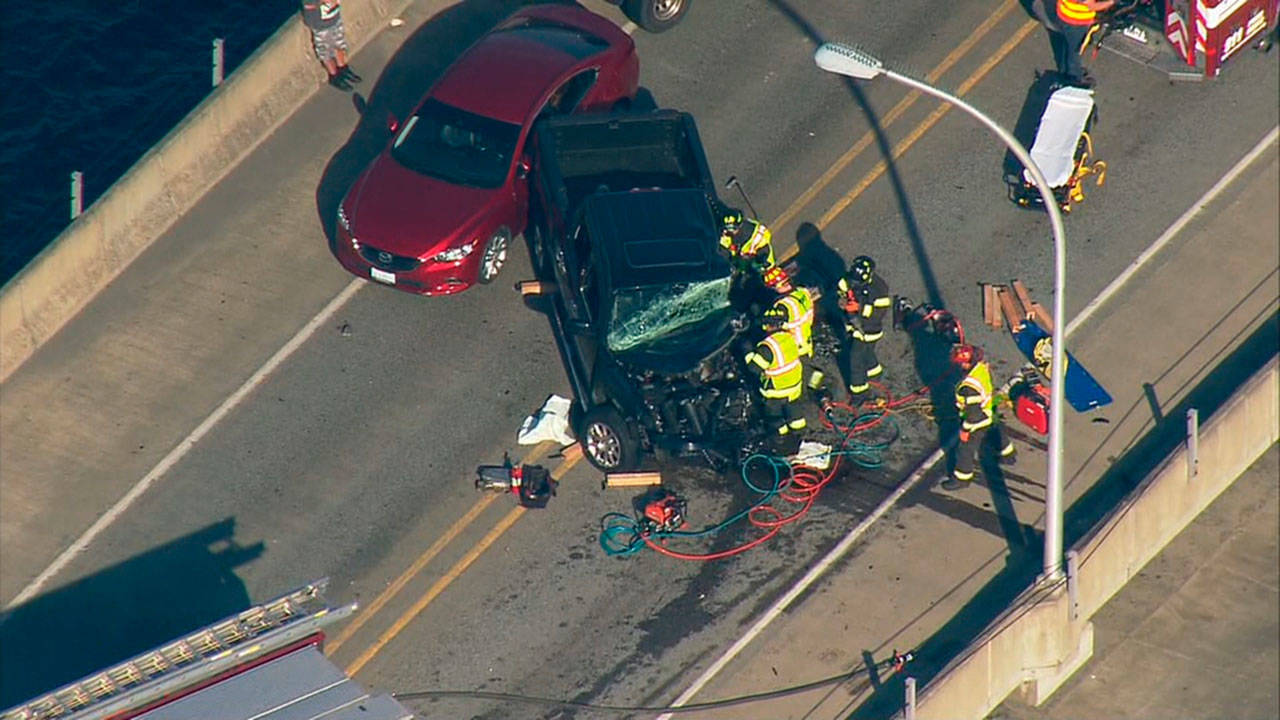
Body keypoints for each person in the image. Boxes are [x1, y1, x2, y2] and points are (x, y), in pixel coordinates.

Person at [943, 343, 1017, 491]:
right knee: (996, 431)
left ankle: (962, 478)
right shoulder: (981, 368)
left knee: (965, 449)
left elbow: (973, 414)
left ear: (966, 363)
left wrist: (965, 430)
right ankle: (1009, 455)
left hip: (978, 420)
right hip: (989, 410)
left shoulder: (968, 387)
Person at [744, 307, 806, 438]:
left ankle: (781, 436)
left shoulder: (768, 347)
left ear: (766, 325)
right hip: (794, 386)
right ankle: (799, 432)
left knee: (774, 415)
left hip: (777, 391)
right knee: (794, 409)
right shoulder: (790, 337)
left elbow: (753, 368)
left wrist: (747, 351)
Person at [836, 255, 892, 399]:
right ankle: (874, 372)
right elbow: (842, 287)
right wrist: (842, 299)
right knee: (867, 351)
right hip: (854, 325)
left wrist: (859, 308)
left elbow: (878, 314)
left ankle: (860, 392)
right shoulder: (851, 279)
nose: (855, 285)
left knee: (855, 358)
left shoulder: (879, 289)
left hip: (869, 329)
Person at [1051, 0, 1115, 87]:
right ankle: (1074, 77)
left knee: (1067, 45)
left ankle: (1065, 70)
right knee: (1075, 51)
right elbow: (1091, 6)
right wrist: (1112, 2)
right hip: (1076, 21)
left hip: (1064, 13)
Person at [302, 0, 361, 91]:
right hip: (320, 25)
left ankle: (343, 68)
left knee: (340, 44)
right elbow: (307, 4)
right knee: (326, 52)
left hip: (334, 17)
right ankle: (334, 76)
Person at [763, 267, 814, 359]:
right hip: (807, 342)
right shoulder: (802, 291)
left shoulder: (785, 305)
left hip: (793, 348)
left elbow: (770, 322)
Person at [719, 208, 776, 273]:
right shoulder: (728, 236)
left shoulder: (757, 241)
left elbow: (764, 256)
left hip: (761, 269)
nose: (725, 231)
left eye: (728, 229)